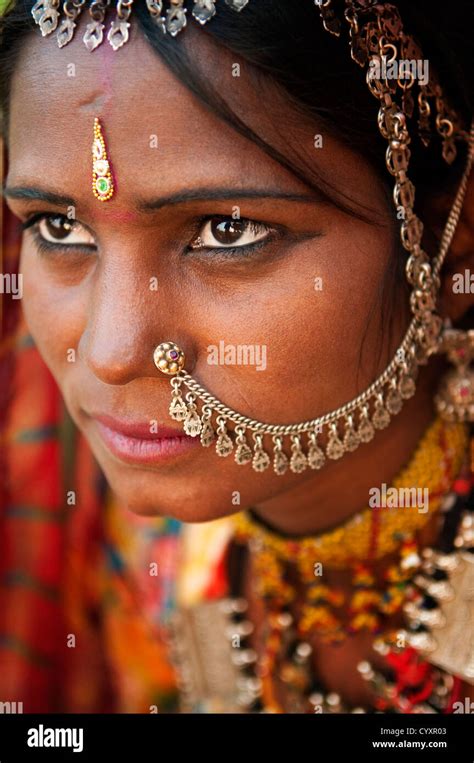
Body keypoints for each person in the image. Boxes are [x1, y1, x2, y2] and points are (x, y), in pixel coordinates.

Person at [0, 0, 473, 713]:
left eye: (228, 230)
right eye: (59, 227)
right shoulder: (137, 542)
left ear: (447, 241)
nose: (111, 352)